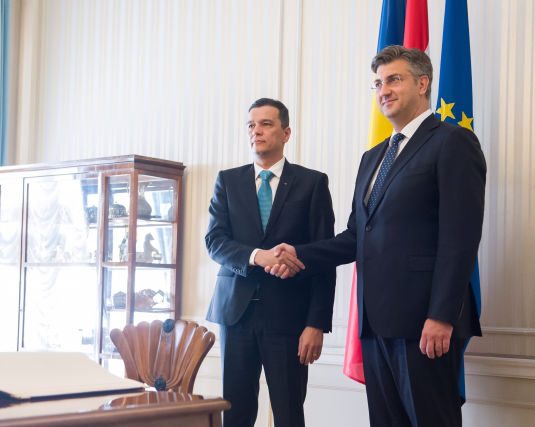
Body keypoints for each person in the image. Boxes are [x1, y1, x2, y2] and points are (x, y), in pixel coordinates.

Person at [267, 46, 486, 427]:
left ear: (423, 83)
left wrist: (441, 315)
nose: (383, 90)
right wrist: (299, 253)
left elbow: (461, 239)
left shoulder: (452, 142)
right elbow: (356, 236)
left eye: (394, 80)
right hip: (374, 321)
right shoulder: (373, 157)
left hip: (424, 323)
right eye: (378, 83)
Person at [205, 98, 336, 427]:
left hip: (290, 319)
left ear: (286, 133)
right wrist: (257, 256)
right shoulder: (228, 181)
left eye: (266, 124)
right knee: (235, 415)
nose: (256, 131)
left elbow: (325, 257)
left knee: (289, 414)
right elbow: (215, 241)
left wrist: (316, 323)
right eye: (251, 125)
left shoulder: (312, 183)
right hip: (235, 316)